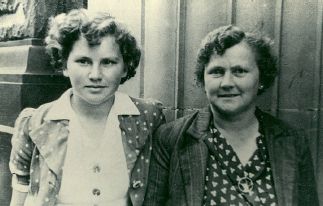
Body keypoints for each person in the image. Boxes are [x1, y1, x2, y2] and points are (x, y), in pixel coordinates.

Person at [144, 25, 318, 206]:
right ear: (203, 80)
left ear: (261, 78)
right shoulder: (170, 139)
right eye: (216, 72)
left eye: (240, 71)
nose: (227, 83)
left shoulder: (293, 141)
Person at [9, 9, 165, 206]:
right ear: (64, 64)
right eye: (83, 61)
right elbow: (19, 195)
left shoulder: (147, 117)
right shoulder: (35, 123)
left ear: (125, 67)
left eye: (108, 62)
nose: (95, 74)